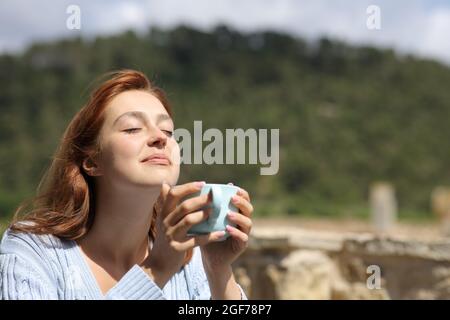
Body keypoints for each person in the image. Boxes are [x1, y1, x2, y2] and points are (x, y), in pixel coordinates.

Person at [0, 70, 253, 300]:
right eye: (132, 128)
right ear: (92, 161)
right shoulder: (33, 251)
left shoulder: (191, 258)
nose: (159, 138)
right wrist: (157, 269)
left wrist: (218, 271)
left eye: (168, 131)